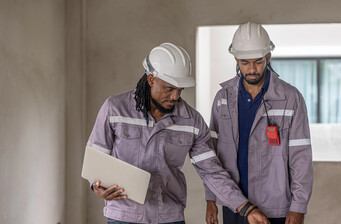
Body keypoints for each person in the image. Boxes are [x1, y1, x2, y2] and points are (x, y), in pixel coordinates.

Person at [86, 42, 270, 224]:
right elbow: (96, 159)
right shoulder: (115, 109)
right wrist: (97, 188)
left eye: (179, 90)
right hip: (124, 216)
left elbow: (212, 172)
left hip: (168, 217)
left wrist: (246, 208)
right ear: (151, 79)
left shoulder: (192, 121)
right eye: (169, 89)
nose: (175, 97)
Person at [205, 22, 313, 224]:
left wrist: (299, 207)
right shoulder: (223, 98)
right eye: (245, 62)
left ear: (268, 57)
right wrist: (211, 199)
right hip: (234, 203)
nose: (252, 69)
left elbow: (301, 157)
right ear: (236, 59)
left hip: (276, 207)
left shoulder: (291, 98)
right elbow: (212, 155)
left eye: (258, 61)